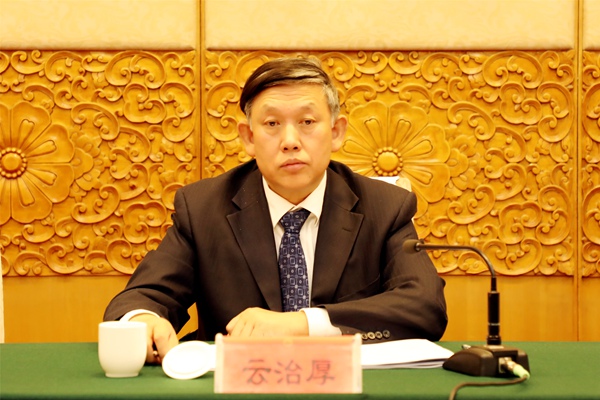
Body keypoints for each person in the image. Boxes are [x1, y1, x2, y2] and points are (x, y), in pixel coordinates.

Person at [104, 57, 447, 364]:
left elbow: (424, 306)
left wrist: (302, 324)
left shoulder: (385, 207)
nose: (290, 141)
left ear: (336, 132)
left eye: (307, 121)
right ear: (248, 137)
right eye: (271, 124)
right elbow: (144, 296)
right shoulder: (203, 208)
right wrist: (142, 321)